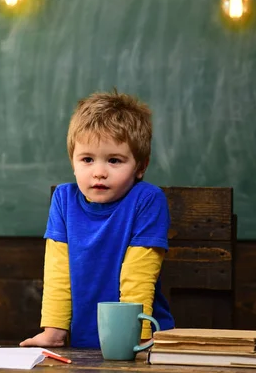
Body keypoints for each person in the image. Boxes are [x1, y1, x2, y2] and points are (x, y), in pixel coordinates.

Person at [20, 90, 175, 348]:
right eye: (87, 159)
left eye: (114, 160)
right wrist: (54, 331)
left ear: (140, 167)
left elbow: (138, 275)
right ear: (73, 162)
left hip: (141, 338)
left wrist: (136, 338)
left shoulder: (147, 199)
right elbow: (58, 269)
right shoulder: (64, 199)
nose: (99, 172)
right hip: (84, 342)